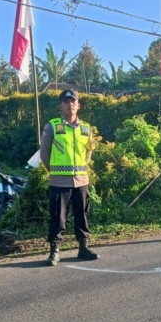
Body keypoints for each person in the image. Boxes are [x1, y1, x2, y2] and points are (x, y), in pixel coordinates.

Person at [40, 89, 99, 266]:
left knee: (82, 215)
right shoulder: (52, 126)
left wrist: (84, 167)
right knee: (58, 216)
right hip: (59, 181)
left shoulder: (86, 128)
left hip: (81, 181)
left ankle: (83, 247)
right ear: (61, 105)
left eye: (73, 101)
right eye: (66, 101)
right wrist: (54, 172)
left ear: (78, 105)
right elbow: (44, 154)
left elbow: (89, 150)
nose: (70, 104)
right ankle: (55, 251)